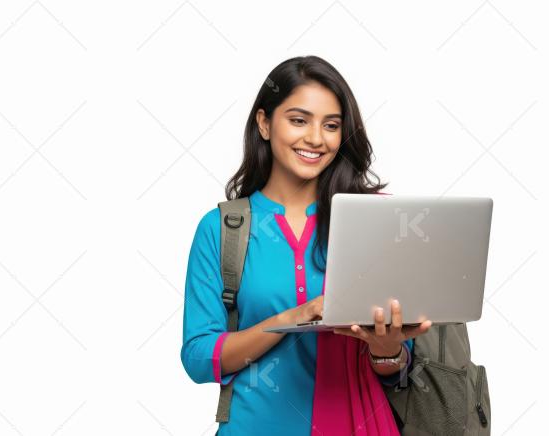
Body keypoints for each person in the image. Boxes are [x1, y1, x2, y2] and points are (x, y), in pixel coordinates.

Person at [180, 55, 433, 435]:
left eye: (331, 125)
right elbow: (199, 357)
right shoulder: (222, 229)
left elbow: (394, 371)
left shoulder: (375, 221)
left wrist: (388, 348)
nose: (316, 138)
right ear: (265, 123)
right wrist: (290, 319)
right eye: (299, 120)